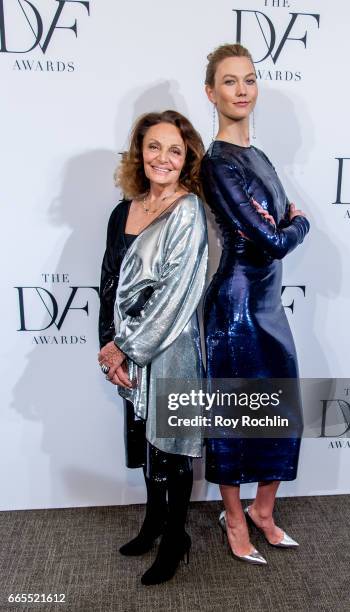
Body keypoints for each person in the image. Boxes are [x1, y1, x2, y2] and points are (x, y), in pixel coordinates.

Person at [200, 44, 310, 565]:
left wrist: (285, 226)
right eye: (229, 82)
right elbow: (272, 237)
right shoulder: (217, 164)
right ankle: (235, 516)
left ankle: (265, 511)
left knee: (282, 410)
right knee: (235, 416)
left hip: (269, 302)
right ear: (211, 92)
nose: (241, 90)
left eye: (248, 80)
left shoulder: (258, 157)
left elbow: (275, 227)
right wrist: (300, 224)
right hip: (236, 304)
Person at [98, 110, 208, 585]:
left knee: (173, 449)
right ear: (139, 151)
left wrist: (125, 348)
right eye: (154, 147)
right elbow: (107, 280)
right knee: (147, 444)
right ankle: (153, 521)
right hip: (127, 348)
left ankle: (176, 537)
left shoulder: (188, 211)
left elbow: (177, 294)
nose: (162, 158)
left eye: (174, 150)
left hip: (171, 347)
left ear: (186, 160)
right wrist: (108, 341)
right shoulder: (123, 210)